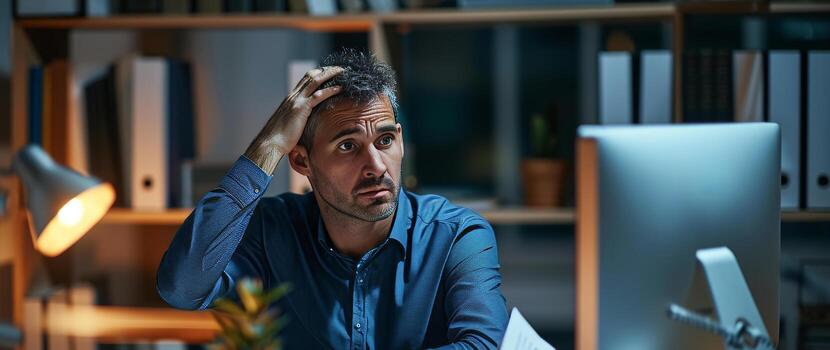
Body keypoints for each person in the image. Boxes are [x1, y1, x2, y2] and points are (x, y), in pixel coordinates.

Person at [156, 49, 508, 349]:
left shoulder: (456, 235)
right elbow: (182, 288)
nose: (375, 166)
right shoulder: (272, 230)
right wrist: (268, 145)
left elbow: (482, 345)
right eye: (347, 146)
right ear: (301, 160)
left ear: (400, 141)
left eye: (385, 141)